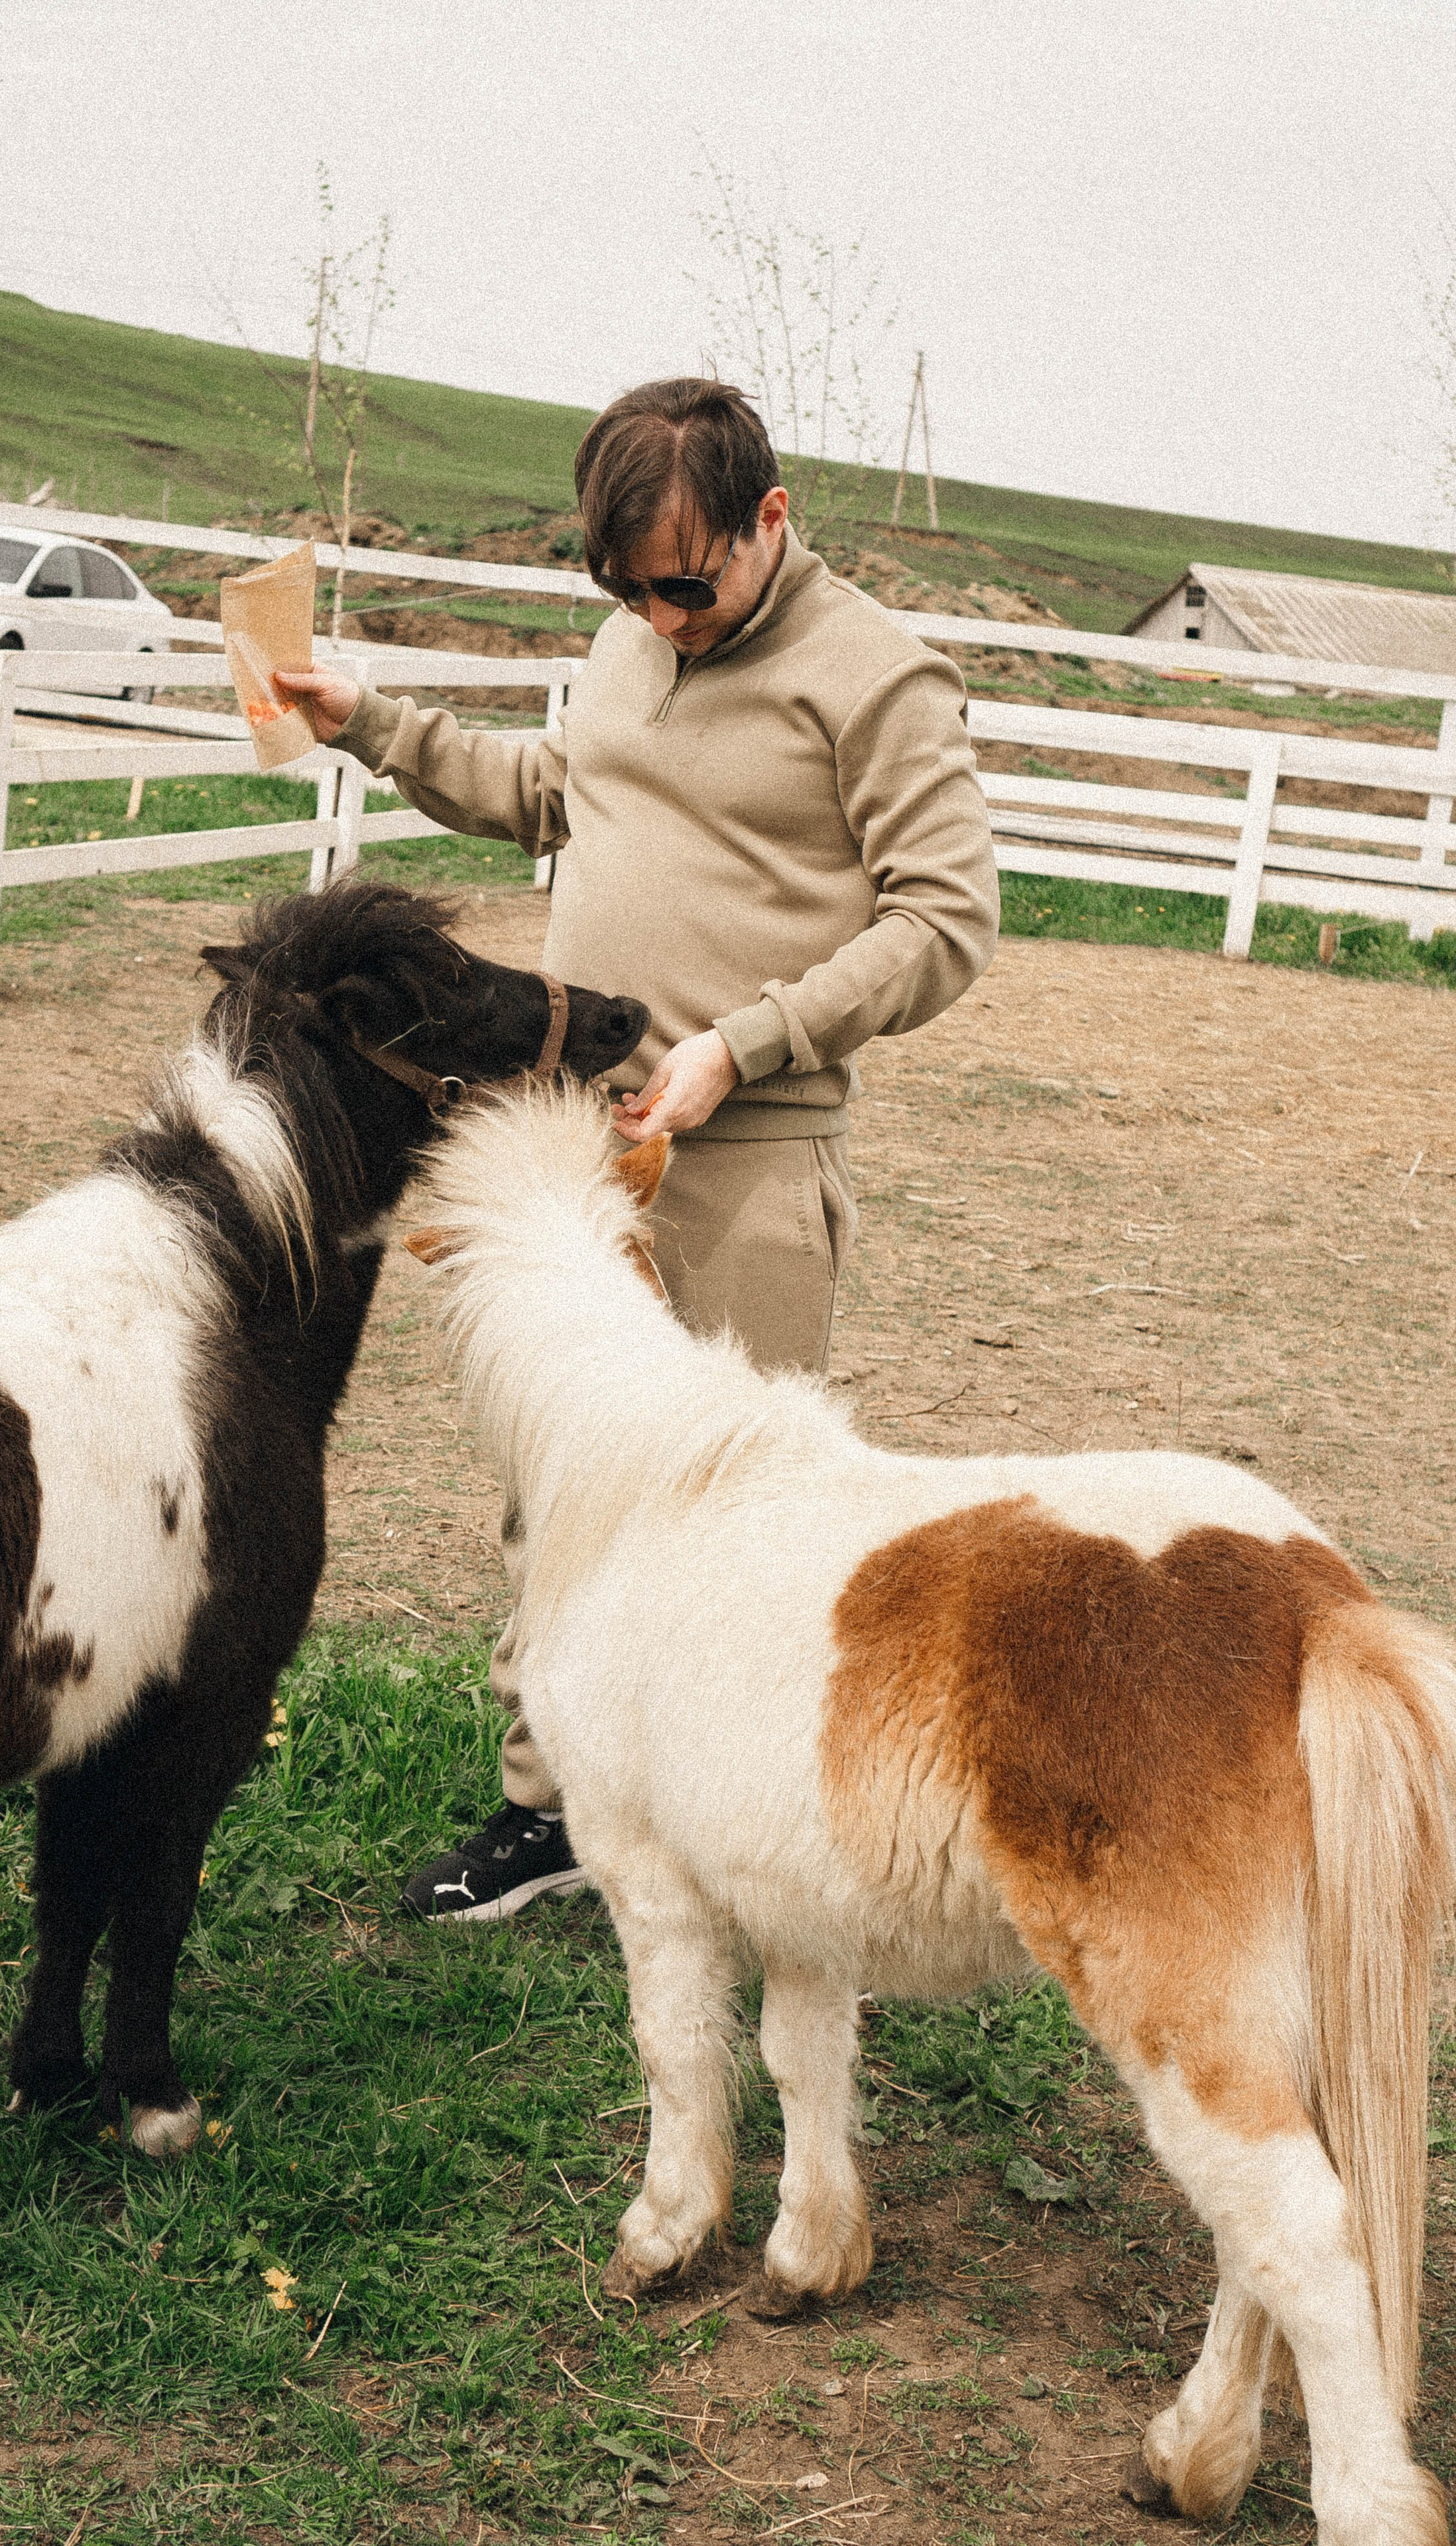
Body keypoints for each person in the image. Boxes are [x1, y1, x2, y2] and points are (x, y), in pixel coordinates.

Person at [276, 377, 1000, 1922]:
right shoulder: (631, 634)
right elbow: (561, 794)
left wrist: (742, 1044)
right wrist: (377, 727)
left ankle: (733, 1838)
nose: (660, 617)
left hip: (746, 1162)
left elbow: (945, 922)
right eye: (624, 588)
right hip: (576, 1145)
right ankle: (546, 1813)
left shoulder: (879, 680)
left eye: (686, 583)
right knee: (561, 1482)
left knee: (735, 1512)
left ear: (770, 520)